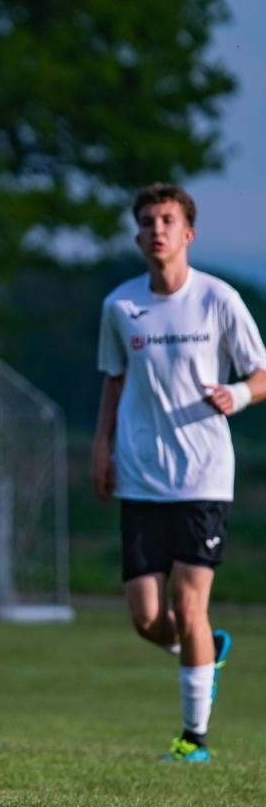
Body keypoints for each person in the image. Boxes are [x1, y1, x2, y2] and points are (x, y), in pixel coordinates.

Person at [90, 183, 266, 763]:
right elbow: (114, 380)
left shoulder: (218, 300)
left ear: (187, 233)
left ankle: (193, 740)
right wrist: (101, 446)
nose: (156, 229)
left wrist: (237, 394)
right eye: (146, 221)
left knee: (189, 606)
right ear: (138, 235)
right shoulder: (121, 305)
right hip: (140, 478)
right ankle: (204, 649)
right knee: (147, 619)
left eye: (167, 219)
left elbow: (262, 372)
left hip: (202, 479)